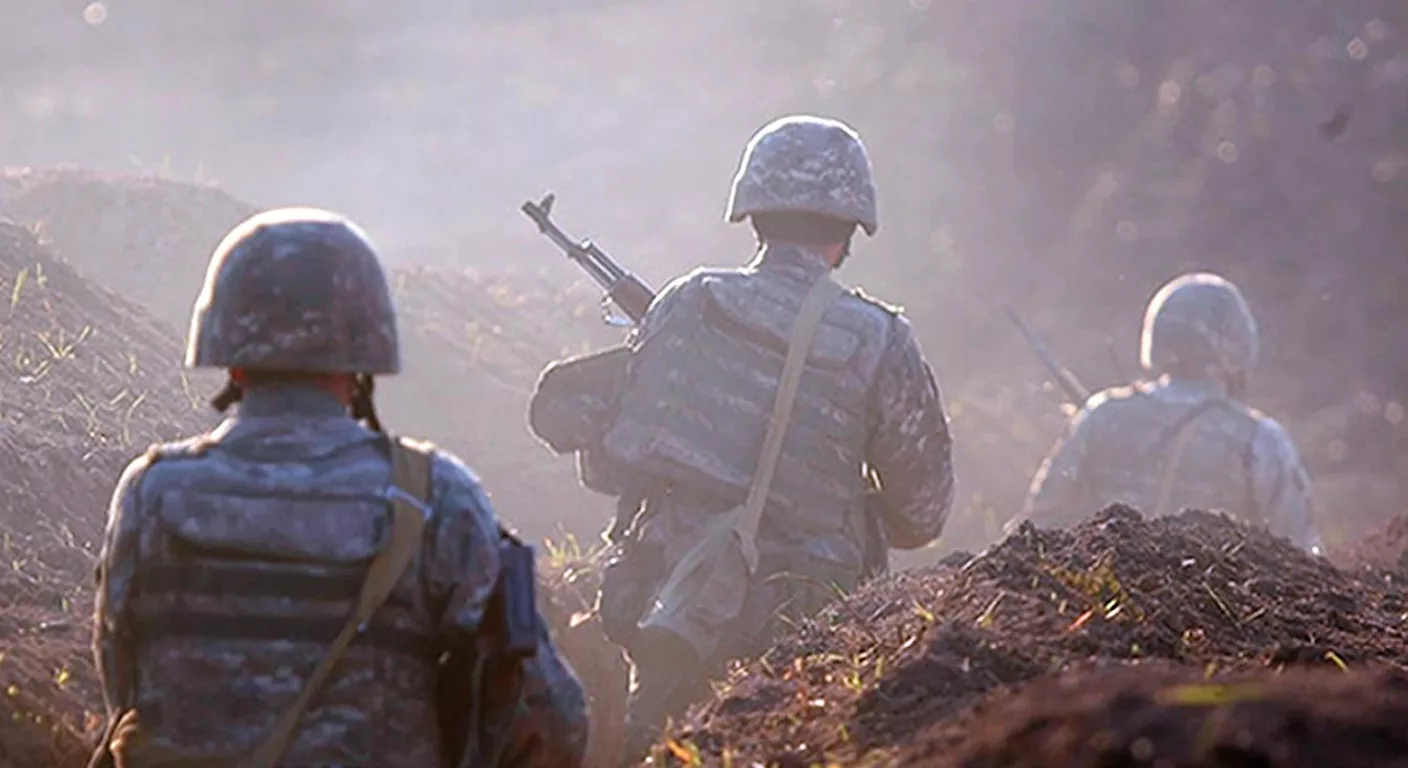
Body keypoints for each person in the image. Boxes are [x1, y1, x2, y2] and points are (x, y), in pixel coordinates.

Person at [89, 207, 588, 768]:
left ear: (229, 351)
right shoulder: (437, 497)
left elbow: (124, 684)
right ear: (363, 355)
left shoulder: (152, 494)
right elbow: (551, 716)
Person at [537, 114, 956, 764]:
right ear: (849, 229)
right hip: (808, 633)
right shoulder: (880, 340)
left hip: (670, 608)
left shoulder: (684, 302)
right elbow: (922, 513)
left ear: (752, 211)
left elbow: (616, 465)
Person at [1022, 272, 1321, 554]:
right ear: (1235, 341)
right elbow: (1303, 558)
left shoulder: (1101, 415)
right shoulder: (1260, 440)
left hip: (1102, 598)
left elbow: (1035, 527)